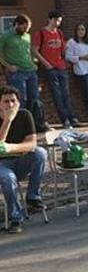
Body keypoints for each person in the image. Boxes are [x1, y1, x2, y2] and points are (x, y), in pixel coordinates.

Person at [0, 85, 48, 234]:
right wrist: (7, 120)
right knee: (8, 177)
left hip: (20, 161)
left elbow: (32, 144)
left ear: (18, 103)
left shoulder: (25, 115)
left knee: (40, 153)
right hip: (2, 166)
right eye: (6, 102)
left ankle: (33, 197)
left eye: (13, 101)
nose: (10, 105)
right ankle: (15, 217)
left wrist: (10, 148)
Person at [0, 15, 49, 132]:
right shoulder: (6, 36)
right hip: (17, 72)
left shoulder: (27, 36)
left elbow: (27, 52)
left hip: (30, 71)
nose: (26, 30)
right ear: (17, 24)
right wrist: (8, 66)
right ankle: (19, 127)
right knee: (22, 99)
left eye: (28, 28)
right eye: (24, 27)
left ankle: (38, 125)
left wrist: (33, 63)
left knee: (35, 98)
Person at [32, 10, 78, 127]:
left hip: (61, 66)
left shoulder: (59, 33)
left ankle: (72, 117)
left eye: (59, 21)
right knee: (57, 94)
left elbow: (62, 49)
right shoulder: (41, 33)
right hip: (50, 68)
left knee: (66, 93)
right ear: (50, 19)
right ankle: (65, 119)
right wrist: (45, 63)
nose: (57, 23)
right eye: (56, 20)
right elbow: (34, 50)